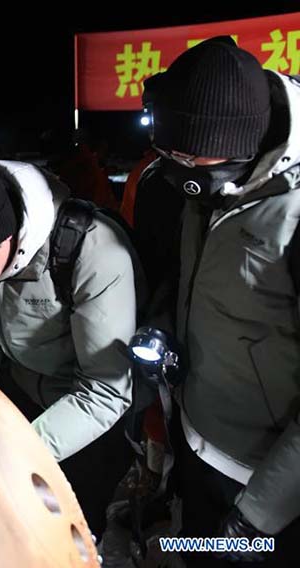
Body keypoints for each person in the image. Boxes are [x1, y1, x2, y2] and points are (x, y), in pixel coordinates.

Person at [137, 36, 300, 566]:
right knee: (197, 551)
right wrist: (164, 325)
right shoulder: (210, 182)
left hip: (264, 483)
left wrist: (260, 516)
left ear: (240, 145)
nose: (177, 167)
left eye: (187, 154)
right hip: (198, 441)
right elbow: (197, 279)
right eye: (168, 153)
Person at [0, 160, 140, 539]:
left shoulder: (94, 252)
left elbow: (105, 390)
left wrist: (17, 453)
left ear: (9, 238)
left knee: (69, 533)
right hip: (20, 394)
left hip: (87, 421)